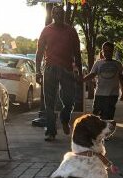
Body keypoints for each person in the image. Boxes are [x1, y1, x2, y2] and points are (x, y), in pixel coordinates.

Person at [36, 5, 82, 141]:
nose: (58, 15)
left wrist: (79, 72)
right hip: (50, 68)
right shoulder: (46, 30)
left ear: (64, 15)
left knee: (69, 100)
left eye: (60, 13)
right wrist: (37, 71)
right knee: (49, 102)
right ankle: (51, 131)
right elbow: (39, 52)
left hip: (67, 69)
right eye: (55, 13)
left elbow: (77, 53)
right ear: (52, 15)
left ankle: (64, 117)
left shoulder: (71, 31)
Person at [83, 41, 123, 120]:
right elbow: (92, 74)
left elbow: (121, 78)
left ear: (113, 51)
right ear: (102, 52)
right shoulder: (98, 63)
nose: (107, 53)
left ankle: (105, 132)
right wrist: (82, 80)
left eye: (109, 51)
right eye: (105, 51)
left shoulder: (118, 64)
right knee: (96, 117)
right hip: (99, 95)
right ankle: (97, 132)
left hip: (112, 96)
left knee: (108, 118)